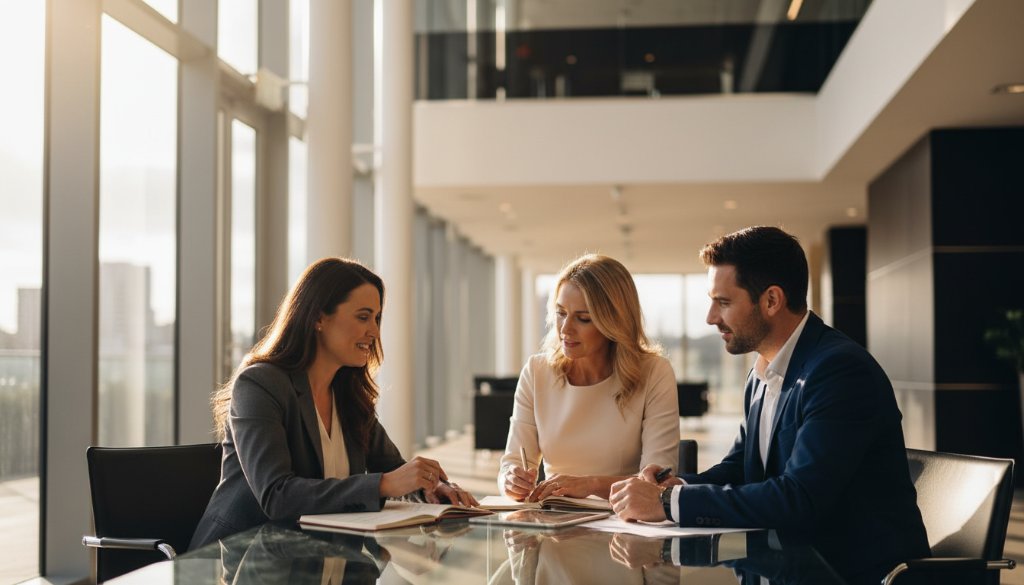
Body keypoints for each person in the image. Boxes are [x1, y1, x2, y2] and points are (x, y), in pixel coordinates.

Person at [609, 226, 929, 584]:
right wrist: (673, 487)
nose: (711, 317)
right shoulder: (762, 373)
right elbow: (742, 469)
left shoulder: (839, 371)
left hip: (848, 573)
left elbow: (798, 498)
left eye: (724, 302)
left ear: (772, 301)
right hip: (784, 565)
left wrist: (668, 505)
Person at [191, 258, 475, 549]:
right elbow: (276, 496)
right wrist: (385, 484)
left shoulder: (349, 395)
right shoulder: (260, 385)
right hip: (239, 560)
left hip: (317, 555)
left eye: (377, 318)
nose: (375, 332)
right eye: (363, 317)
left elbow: (393, 468)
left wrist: (430, 487)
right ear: (318, 318)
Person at [499, 254, 679, 502]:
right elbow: (511, 463)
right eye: (561, 313)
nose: (565, 329)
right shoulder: (536, 371)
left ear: (613, 321)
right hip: (556, 524)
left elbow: (657, 482)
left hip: (627, 524)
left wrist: (590, 485)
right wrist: (510, 479)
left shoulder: (654, 372)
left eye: (583, 318)